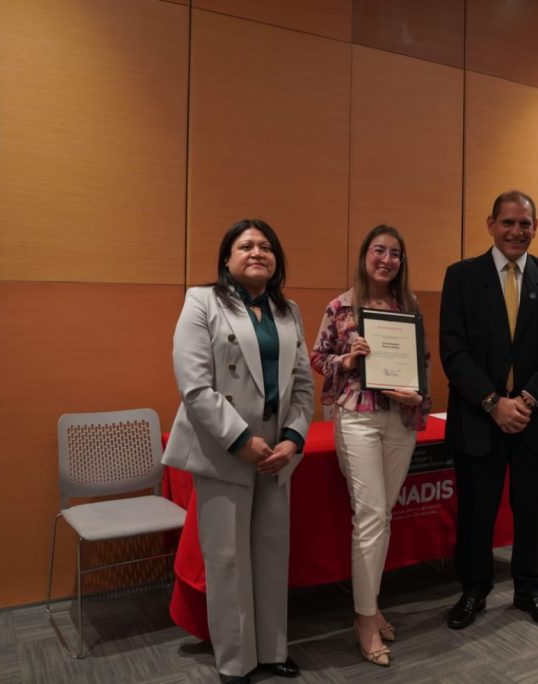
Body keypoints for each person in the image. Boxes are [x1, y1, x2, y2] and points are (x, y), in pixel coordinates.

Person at [162, 219, 314, 684]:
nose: (257, 252)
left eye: (266, 246)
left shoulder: (288, 311)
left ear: (276, 259)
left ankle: (270, 651)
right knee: (227, 560)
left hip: (276, 450)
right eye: (245, 245)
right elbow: (195, 387)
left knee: (271, 554)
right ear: (227, 258)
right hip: (225, 445)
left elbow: (304, 385)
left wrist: (292, 439)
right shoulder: (201, 301)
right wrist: (242, 441)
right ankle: (235, 662)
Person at [439, 190, 538, 632]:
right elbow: (453, 351)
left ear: (535, 228)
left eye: (525, 224)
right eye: (508, 223)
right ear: (491, 224)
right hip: (479, 418)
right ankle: (473, 590)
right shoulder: (461, 277)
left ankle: (529, 591)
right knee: (476, 512)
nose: (516, 231)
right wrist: (494, 404)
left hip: (536, 419)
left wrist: (527, 401)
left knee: (534, 513)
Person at [311, 225, 430, 667]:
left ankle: (372, 604)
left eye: (395, 253)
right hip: (357, 416)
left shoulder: (409, 305)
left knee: (383, 516)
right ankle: (364, 618)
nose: (386, 259)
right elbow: (317, 357)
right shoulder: (341, 306)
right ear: (365, 256)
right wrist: (347, 359)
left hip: (400, 419)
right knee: (371, 516)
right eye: (379, 250)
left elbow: (421, 362)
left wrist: (418, 395)